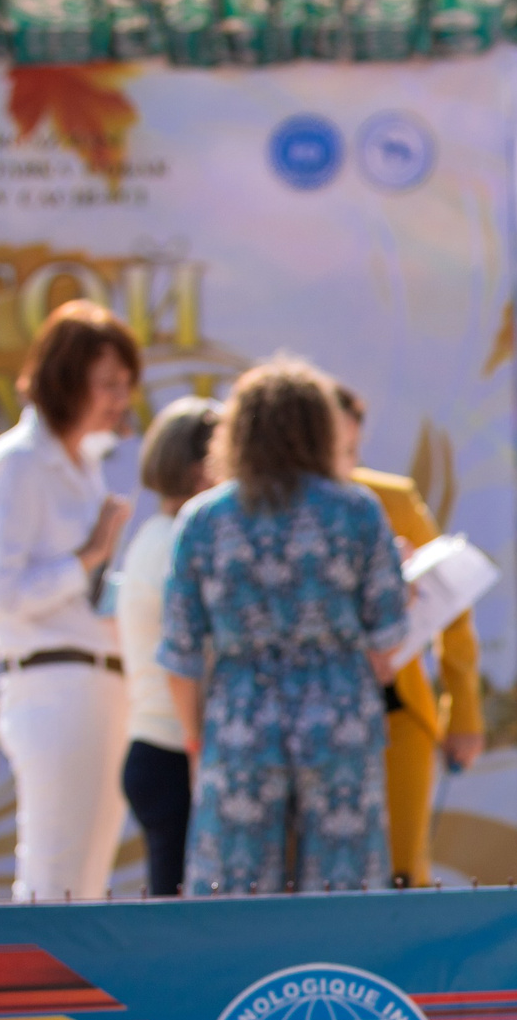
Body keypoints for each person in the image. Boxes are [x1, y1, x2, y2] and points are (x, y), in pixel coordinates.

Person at [161, 359, 407, 895]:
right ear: (321, 428)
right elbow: (389, 634)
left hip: (240, 719)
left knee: (235, 897)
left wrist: (195, 735)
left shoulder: (205, 520)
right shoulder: (357, 512)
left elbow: (179, 652)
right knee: (346, 893)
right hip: (340, 716)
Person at [0, 301, 143, 901]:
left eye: (126, 384)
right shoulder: (16, 463)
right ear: (68, 380)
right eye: (109, 384)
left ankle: (65, 996)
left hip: (101, 683)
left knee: (84, 879)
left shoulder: (82, 466)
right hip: (56, 685)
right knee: (54, 877)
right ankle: (39, 996)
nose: (122, 399)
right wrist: (87, 558)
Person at [330, 384, 484, 888]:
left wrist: (462, 713)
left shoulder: (390, 498)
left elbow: (453, 611)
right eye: (334, 448)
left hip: (397, 716)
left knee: (403, 870)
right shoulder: (277, 511)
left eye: (351, 450)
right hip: (316, 725)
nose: (344, 463)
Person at [112, 398, 218, 898]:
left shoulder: (153, 536)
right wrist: (198, 742)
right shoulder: (181, 542)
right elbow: (184, 657)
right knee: (180, 927)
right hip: (176, 751)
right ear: (202, 471)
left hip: (161, 747)